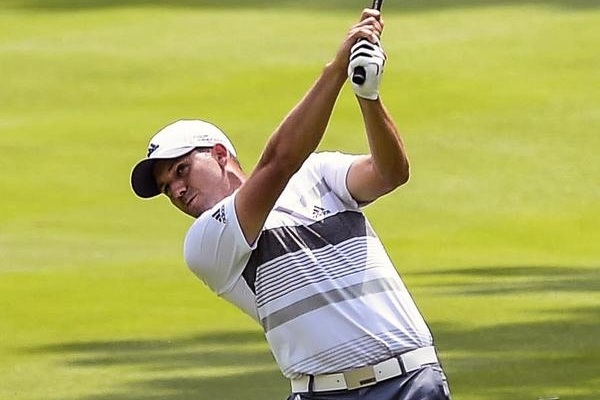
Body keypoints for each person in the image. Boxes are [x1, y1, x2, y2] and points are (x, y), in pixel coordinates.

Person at [130, 8, 451, 400]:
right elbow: (280, 161)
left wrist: (368, 97)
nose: (177, 190)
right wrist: (337, 69)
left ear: (219, 154)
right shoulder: (205, 244)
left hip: (411, 382)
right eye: (166, 188)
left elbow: (390, 173)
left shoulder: (317, 173)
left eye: (181, 170)